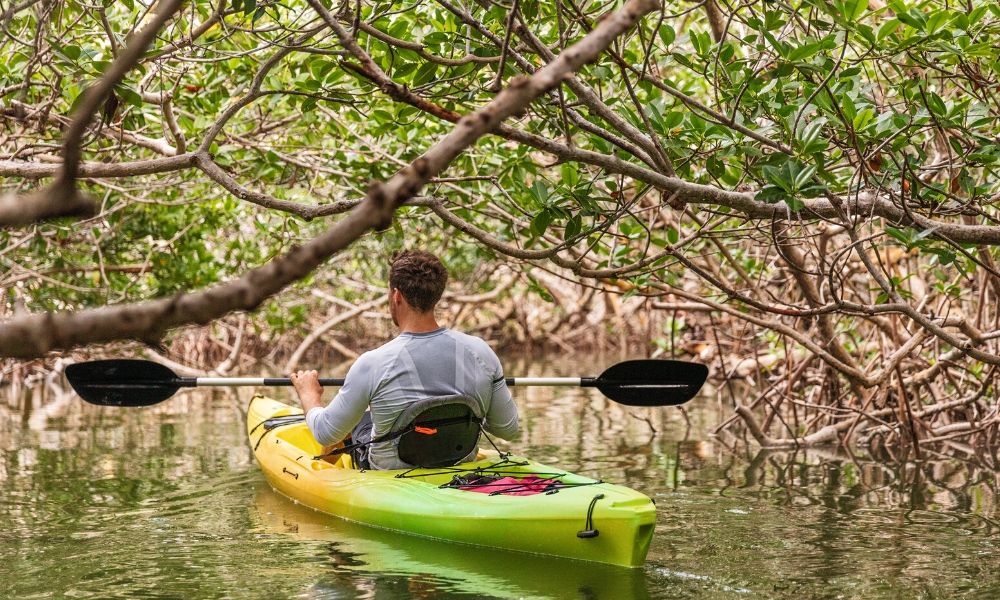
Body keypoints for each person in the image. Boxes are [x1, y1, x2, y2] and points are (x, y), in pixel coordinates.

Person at [290, 250, 519, 470]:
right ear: (436, 295)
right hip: (459, 464)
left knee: (357, 421)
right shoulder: (481, 352)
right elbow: (507, 429)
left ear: (396, 295)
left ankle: (322, 467)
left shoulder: (372, 363)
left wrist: (309, 394)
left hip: (388, 474)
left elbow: (325, 432)